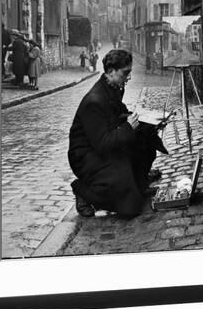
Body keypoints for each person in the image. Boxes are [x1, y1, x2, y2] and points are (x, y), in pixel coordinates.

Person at [68, 49, 165, 219]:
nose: (128, 77)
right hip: (86, 157)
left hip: (103, 146)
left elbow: (119, 114)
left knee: (145, 139)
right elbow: (102, 143)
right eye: (125, 73)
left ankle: (138, 184)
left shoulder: (113, 87)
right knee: (130, 206)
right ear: (111, 71)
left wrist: (149, 123)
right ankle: (83, 191)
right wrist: (128, 127)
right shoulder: (94, 101)